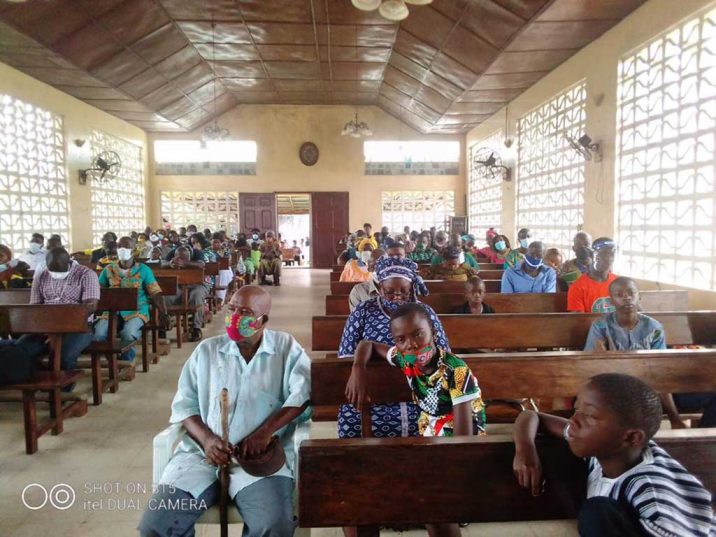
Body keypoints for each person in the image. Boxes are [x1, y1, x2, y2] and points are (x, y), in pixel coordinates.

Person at [138, 286, 310, 537]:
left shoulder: (285, 348)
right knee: (156, 525)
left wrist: (265, 433)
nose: (235, 317)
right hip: (201, 457)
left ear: (263, 320)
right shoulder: (206, 351)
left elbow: (303, 395)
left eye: (245, 312)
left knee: (273, 525)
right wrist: (207, 440)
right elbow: (185, 406)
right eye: (231, 309)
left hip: (259, 459)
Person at [512, 373, 713, 537]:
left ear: (631, 437)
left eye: (589, 415)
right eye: (576, 409)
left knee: (596, 513)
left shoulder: (651, 491)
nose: (573, 420)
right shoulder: (607, 450)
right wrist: (525, 449)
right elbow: (532, 415)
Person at [337, 256, 450, 439]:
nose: (397, 297)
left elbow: (444, 354)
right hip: (372, 396)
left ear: (412, 288)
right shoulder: (363, 311)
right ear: (379, 287)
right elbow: (345, 356)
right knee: (351, 421)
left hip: (420, 394)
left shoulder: (425, 312)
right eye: (389, 292)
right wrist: (358, 369)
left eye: (404, 292)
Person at [585, 277, 716, 429]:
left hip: (653, 387)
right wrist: (601, 356)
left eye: (631, 293)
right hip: (619, 389)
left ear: (639, 297)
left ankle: (701, 440)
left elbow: (660, 369)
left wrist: (675, 418)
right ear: (611, 301)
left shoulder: (653, 327)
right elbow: (593, 365)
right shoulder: (601, 327)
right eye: (619, 294)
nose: (626, 297)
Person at [16, 247, 99, 381]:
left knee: (63, 356)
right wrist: (48, 329)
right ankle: (41, 384)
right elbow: (35, 307)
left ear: (69, 262)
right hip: (46, 327)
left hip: (79, 327)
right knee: (21, 350)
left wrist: (60, 328)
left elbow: (89, 307)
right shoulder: (42, 275)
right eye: (51, 269)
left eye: (59, 270)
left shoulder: (86, 274)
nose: (55, 274)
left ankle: (62, 393)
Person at [94, 237, 169, 361]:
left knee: (128, 333)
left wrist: (163, 313)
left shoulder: (144, 270)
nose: (122, 250)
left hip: (137, 311)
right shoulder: (108, 270)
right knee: (99, 333)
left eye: (127, 247)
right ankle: (111, 360)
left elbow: (155, 293)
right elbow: (99, 291)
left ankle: (126, 362)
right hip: (112, 311)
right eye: (119, 247)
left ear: (133, 249)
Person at [163, 246, 209, 342]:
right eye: (178, 257)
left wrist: (185, 263)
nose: (180, 259)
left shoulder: (197, 254)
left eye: (184, 257)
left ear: (189, 257)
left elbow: (201, 265)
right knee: (166, 296)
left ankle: (196, 328)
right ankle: (163, 325)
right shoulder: (171, 255)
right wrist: (170, 263)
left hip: (197, 285)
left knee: (196, 295)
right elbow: (161, 263)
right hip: (178, 286)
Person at [567, 237, 617, 313]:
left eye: (611, 254)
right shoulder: (578, 287)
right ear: (592, 255)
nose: (608, 258)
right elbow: (578, 321)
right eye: (603, 253)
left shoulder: (618, 283)